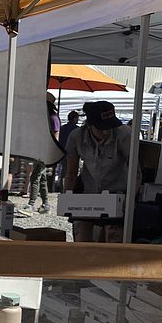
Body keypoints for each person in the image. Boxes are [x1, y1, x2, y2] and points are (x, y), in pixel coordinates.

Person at [64, 100, 137, 243]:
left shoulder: (125, 135)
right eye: (101, 128)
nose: (106, 131)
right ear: (89, 125)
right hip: (88, 190)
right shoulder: (76, 136)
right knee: (80, 233)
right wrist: (67, 198)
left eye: (109, 127)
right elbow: (71, 172)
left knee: (114, 235)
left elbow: (136, 172)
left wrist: (130, 200)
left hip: (117, 192)